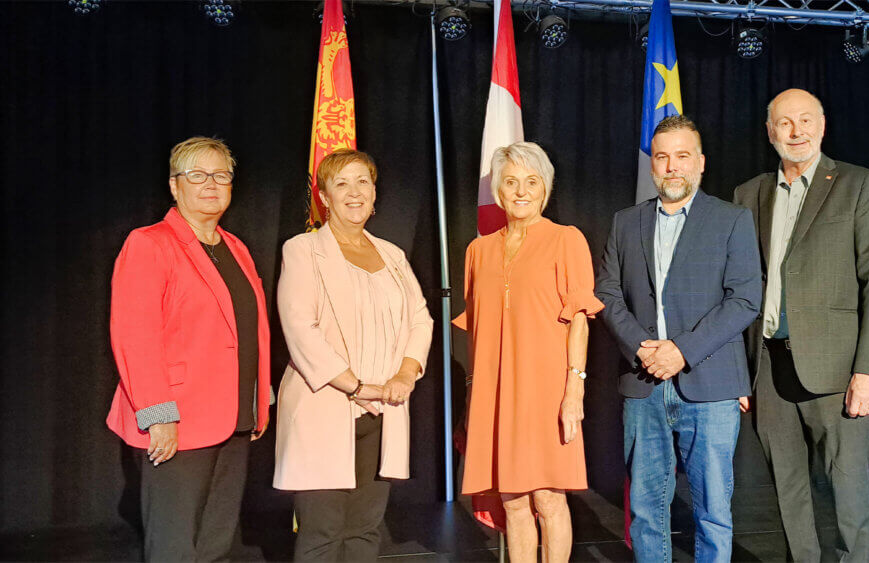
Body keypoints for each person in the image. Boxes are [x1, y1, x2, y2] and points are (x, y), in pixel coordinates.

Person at [733, 88, 869, 562]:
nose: (796, 131)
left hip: (841, 371)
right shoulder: (748, 194)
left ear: (822, 126)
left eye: (806, 120)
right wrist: (742, 373)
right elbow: (741, 288)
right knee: (789, 493)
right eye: (785, 123)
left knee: (848, 494)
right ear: (770, 132)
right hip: (769, 368)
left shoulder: (858, 184)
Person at [595, 115, 761, 562]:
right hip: (643, 383)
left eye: (682, 156)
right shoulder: (625, 222)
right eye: (663, 157)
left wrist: (680, 351)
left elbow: (745, 299)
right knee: (647, 511)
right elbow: (607, 294)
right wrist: (646, 351)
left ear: (700, 163)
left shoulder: (732, 220)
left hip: (711, 387)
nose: (672, 166)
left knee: (712, 512)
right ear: (653, 166)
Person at [107, 136, 271, 561]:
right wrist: (158, 414)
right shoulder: (149, 243)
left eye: (221, 175)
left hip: (235, 414)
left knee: (216, 539)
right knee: (175, 542)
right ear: (175, 185)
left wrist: (259, 398)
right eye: (197, 175)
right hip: (178, 418)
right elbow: (134, 336)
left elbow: (251, 331)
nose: (210, 184)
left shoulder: (235, 247)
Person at [273, 148, 433, 562]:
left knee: (365, 529)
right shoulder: (302, 250)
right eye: (341, 183)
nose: (355, 192)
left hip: (385, 409)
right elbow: (300, 330)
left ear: (375, 193)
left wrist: (404, 376)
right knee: (323, 532)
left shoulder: (393, 255)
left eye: (363, 181)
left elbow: (421, 319)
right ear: (324, 197)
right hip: (324, 406)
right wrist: (357, 386)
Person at [454, 142, 603, 562]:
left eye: (532, 182)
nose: (521, 191)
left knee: (549, 499)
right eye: (511, 182)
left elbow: (579, 319)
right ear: (498, 192)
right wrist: (471, 401)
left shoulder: (565, 240)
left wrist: (574, 393)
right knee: (514, 501)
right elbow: (476, 334)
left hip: (547, 391)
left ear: (546, 189)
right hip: (494, 396)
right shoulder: (477, 251)